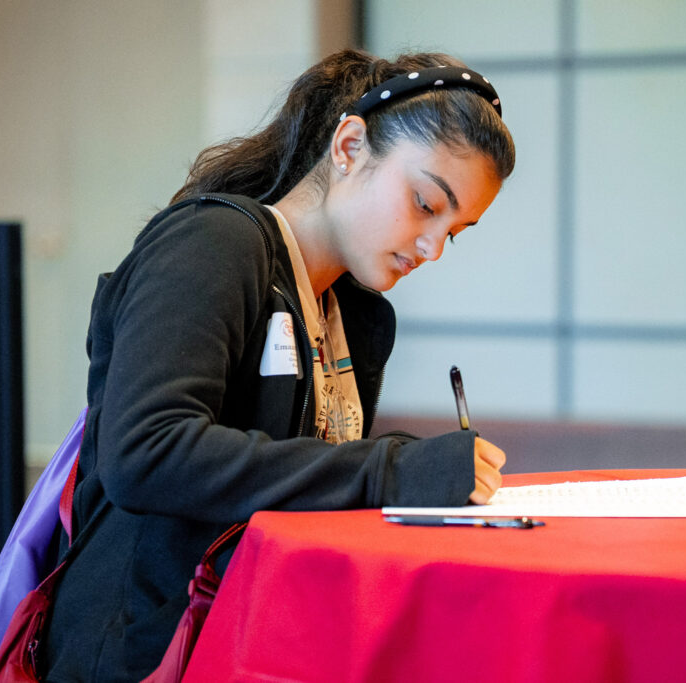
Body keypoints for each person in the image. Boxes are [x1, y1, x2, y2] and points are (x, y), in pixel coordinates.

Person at [40, 48, 515, 681]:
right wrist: (387, 471)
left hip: (256, 631)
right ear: (349, 146)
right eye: (427, 204)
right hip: (146, 646)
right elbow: (145, 452)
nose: (432, 248)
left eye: (455, 231)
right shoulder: (214, 244)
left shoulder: (357, 314)